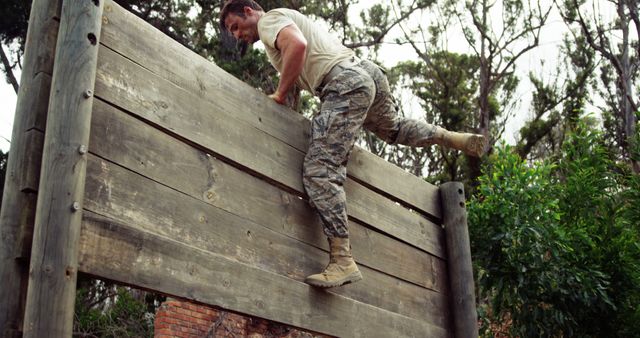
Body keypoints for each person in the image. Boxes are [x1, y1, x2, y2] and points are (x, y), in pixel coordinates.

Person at [220, 0, 486, 288]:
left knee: (320, 170)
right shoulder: (287, 20)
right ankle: (449, 137)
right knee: (394, 129)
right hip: (365, 73)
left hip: (344, 83)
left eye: (235, 26)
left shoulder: (269, 20)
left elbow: (296, 46)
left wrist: (280, 94)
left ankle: (342, 259)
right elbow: (300, 58)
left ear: (249, 11)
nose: (236, 35)